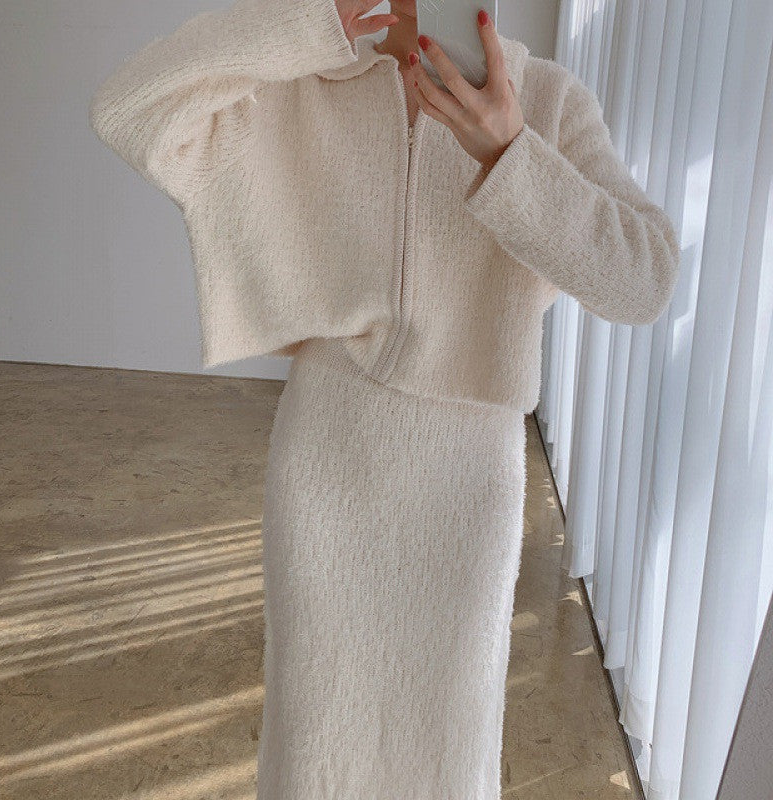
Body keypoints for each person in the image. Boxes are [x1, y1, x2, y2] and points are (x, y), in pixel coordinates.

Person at [88, 1, 681, 797]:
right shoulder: (308, 79)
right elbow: (127, 109)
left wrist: (510, 153)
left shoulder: (545, 99)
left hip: (469, 478)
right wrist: (306, 23)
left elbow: (644, 280)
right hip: (329, 457)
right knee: (317, 731)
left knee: (448, 738)